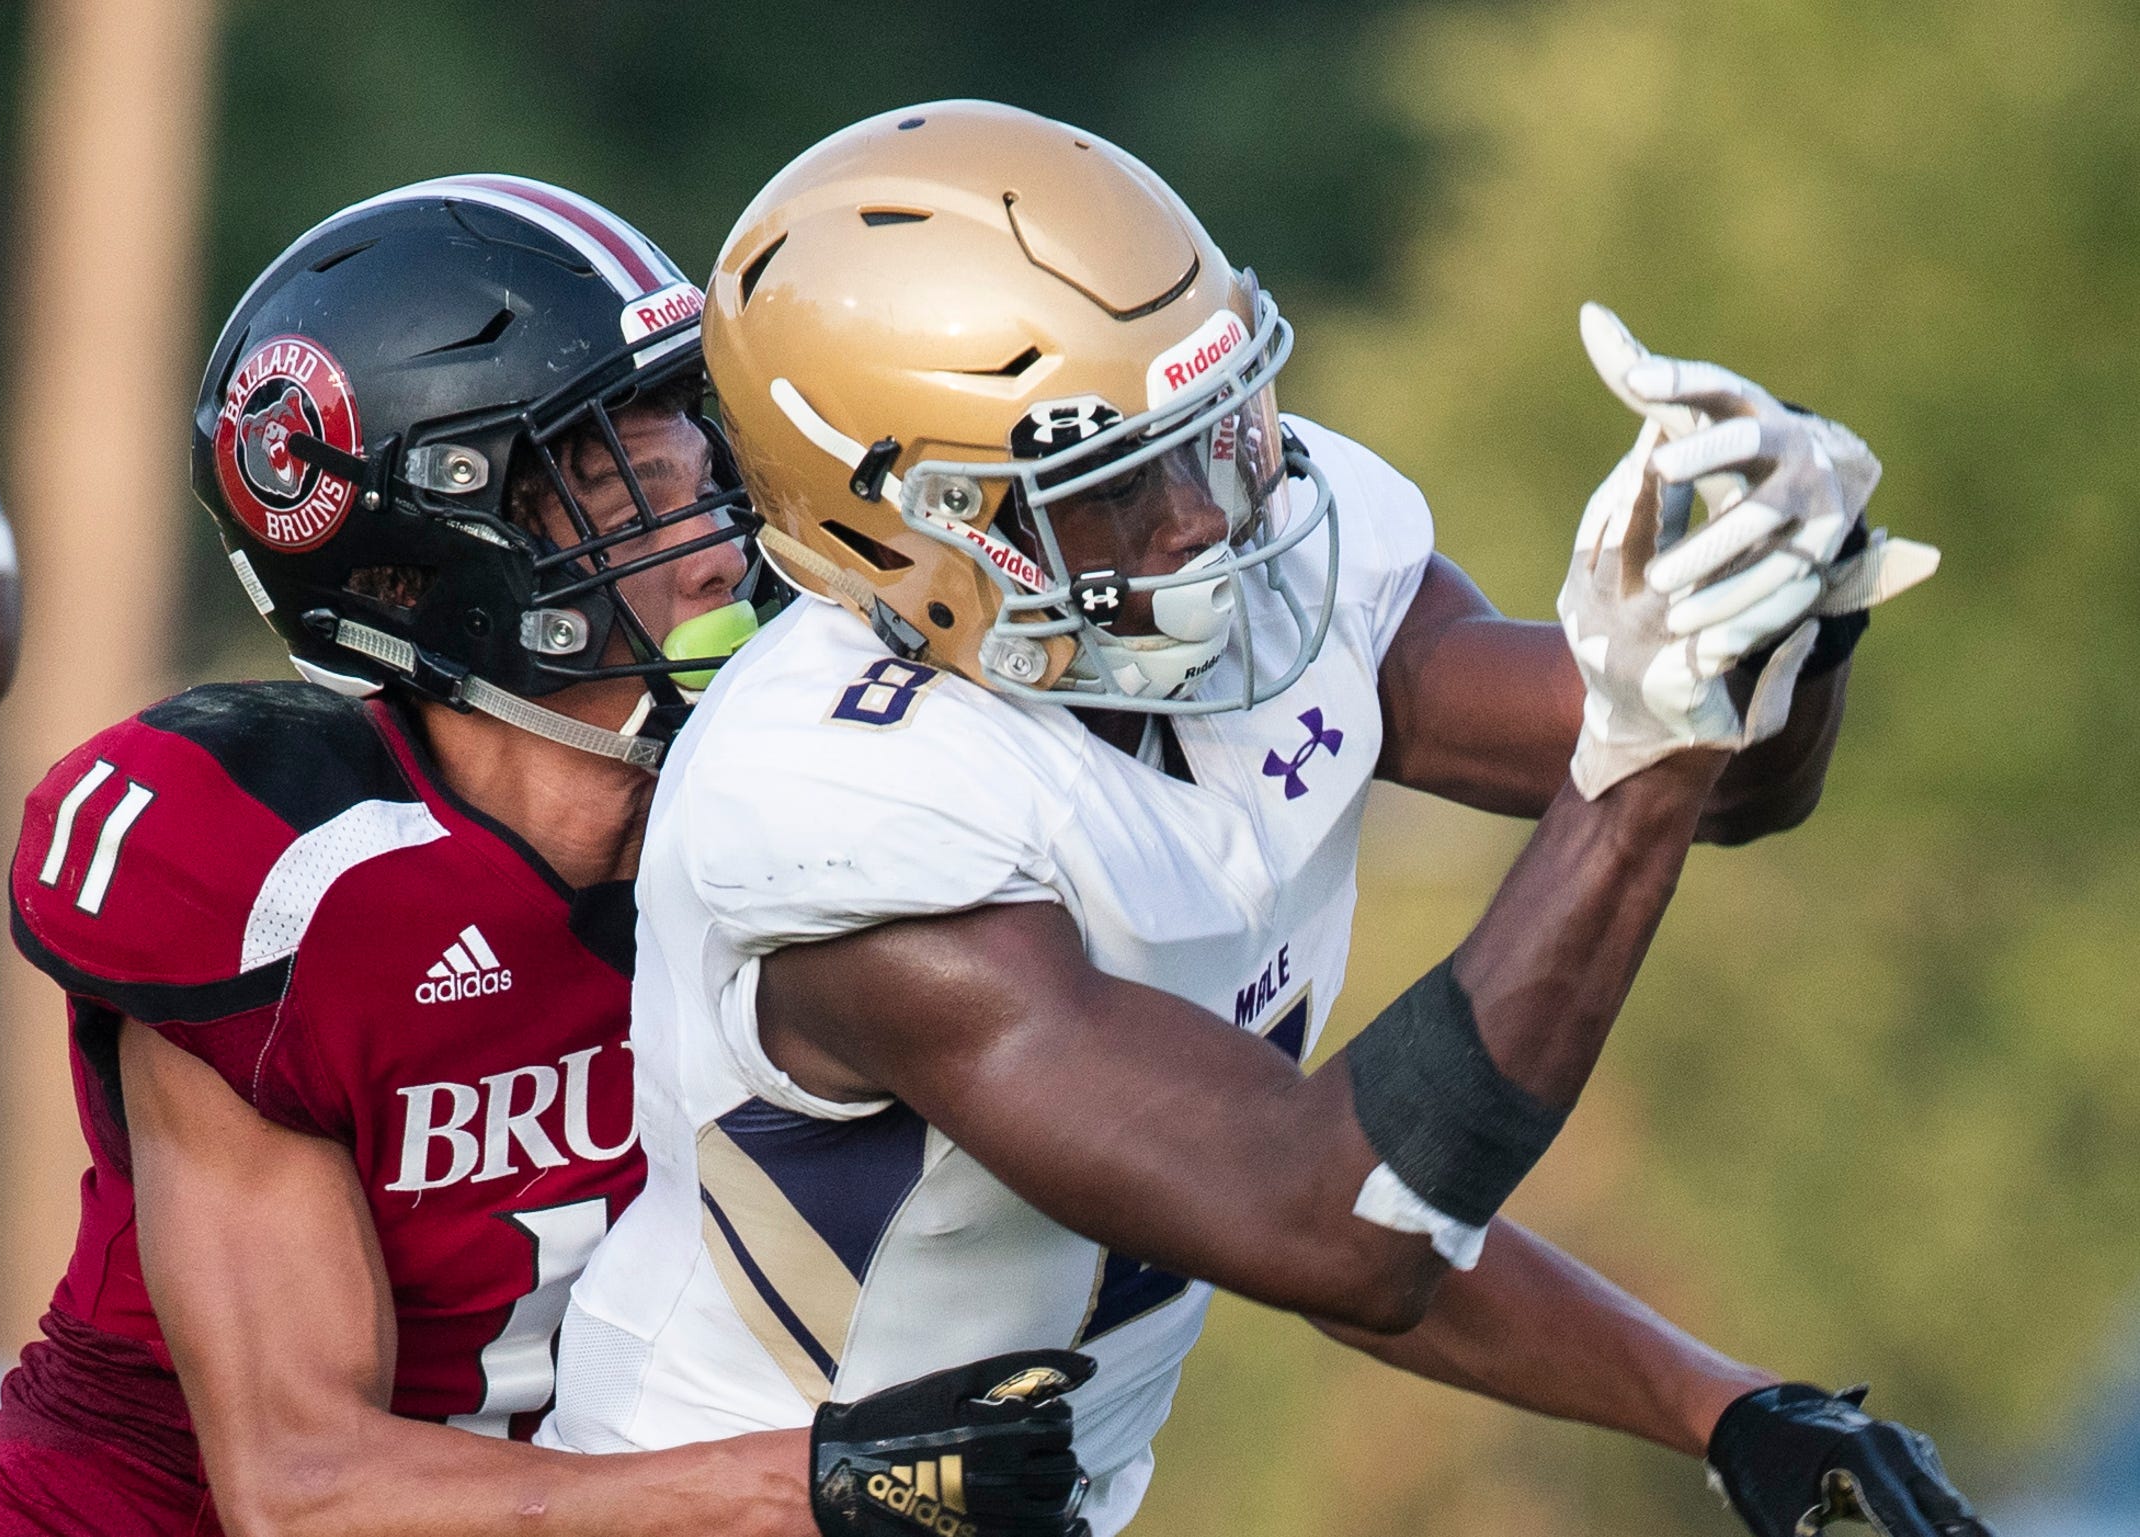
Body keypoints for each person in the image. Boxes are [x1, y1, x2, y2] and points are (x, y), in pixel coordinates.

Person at [545, 102, 1990, 1537]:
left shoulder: (1255, 567)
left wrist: (1785, 597)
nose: (1199, 520)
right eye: (1112, 480)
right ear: (906, 529)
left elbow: (1729, 787)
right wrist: (1649, 744)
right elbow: (1334, 1224)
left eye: (1210, 430)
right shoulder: (841, 797)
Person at [0, 176, 1091, 1537]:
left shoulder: (787, 829)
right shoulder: (292, 882)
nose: (718, 555)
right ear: (426, 560)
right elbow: (301, 1494)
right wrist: (809, 1484)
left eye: (707, 475)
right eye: (628, 495)